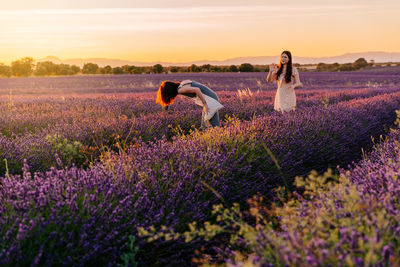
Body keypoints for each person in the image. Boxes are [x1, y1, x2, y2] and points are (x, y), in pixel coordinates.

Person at [156, 80, 223, 128]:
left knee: (213, 124)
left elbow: (197, 89)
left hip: (210, 100)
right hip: (211, 97)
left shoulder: (180, 90)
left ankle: (218, 143)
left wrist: (205, 104)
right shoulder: (183, 83)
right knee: (204, 124)